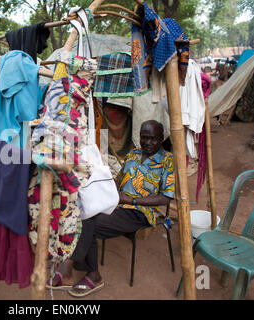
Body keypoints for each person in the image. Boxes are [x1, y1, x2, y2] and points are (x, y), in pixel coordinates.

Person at [47, 120, 175, 297]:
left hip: (141, 212)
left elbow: (166, 198)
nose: (148, 142)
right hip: (117, 203)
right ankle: (85, 272)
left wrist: (131, 200)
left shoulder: (168, 161)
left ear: (161, 139)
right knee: (83, 210)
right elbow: (119, 179)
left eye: (153, 139)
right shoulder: (133, 155)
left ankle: (76, 269)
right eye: (144, 138)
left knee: (88, 222)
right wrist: (103, 182)